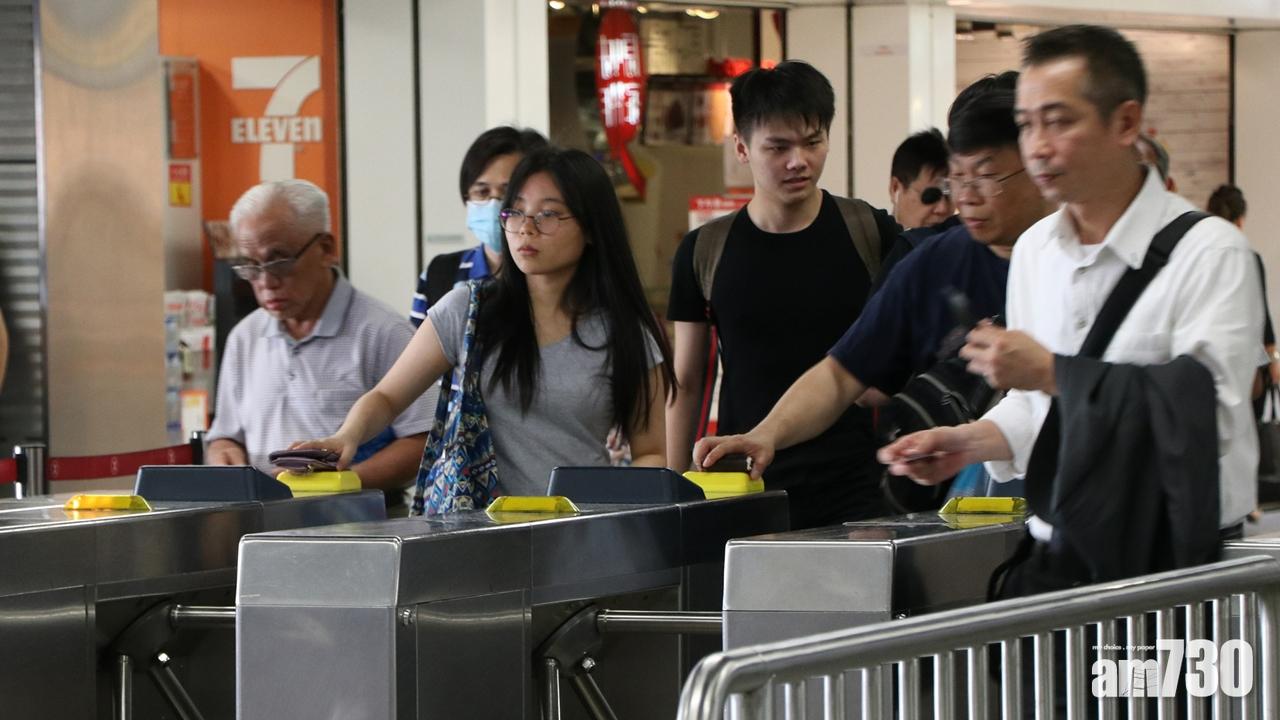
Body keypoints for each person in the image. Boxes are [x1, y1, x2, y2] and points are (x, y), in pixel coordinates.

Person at [880, 25, 1261, 592]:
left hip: (1175, 568)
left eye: (1058, 122)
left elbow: (1209, 416)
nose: (1037, 146)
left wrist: (1054, 373)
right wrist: (970, 442)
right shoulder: (1037, 249)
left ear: (1125, 123)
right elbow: (1039, 410)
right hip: (1059, 559)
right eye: (1027, 124)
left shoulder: (1210, 252)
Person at [694, 72, 1056, 495]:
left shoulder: (1085, 255)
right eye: (957, 179)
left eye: (986, 177)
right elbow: (840, 375)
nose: (966, 197)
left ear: (1038, 164)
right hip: (961, 506)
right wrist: (767, 434)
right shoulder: (934, 262)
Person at [295, 147, 674, 503]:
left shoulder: (625, 332)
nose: (526, 228)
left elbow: (652, 452)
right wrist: (346, 436)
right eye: (516, 211)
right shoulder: (469, 310)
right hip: (478, 532)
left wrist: (606, 509)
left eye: (548, 214)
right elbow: (387, 397)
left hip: (580, 530)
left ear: (591, 228)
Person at [666, 60, 902, 529]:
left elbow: (907, 345)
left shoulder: (871, 232)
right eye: (778, 147)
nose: (799, 161)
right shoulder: (705, 250)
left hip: (857, 484)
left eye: (813, 142)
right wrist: (673, 488)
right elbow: (688, 380)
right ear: (742, 147)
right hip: (743, 482)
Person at [206, 180, 432, 502]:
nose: (266, 282)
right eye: (251, 267)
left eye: (279, 262)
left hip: (357, 518)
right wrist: (225, 456)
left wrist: (338, 485)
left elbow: (422, 440)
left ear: (326, 249)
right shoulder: (245, 337)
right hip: (260, 515)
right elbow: (225, 436)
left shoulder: (382, 332)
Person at [410, 126, 549, 326]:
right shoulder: (441, 274)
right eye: (482, 192)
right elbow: (416, 343)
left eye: (508, 192)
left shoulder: (553, 278)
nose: (494, 205)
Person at [1206, 184, 1280, 400]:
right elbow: (1261, 315)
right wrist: (1274, 358)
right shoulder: (1248, 258)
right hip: (1245, 363)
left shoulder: (1199, 259)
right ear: (1240, 220)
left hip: (1206, 361)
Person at [888, 128, 954, 230]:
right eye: (931, 196)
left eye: (951, 195)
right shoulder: (869, 237)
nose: (943, 208)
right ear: (895, 188)